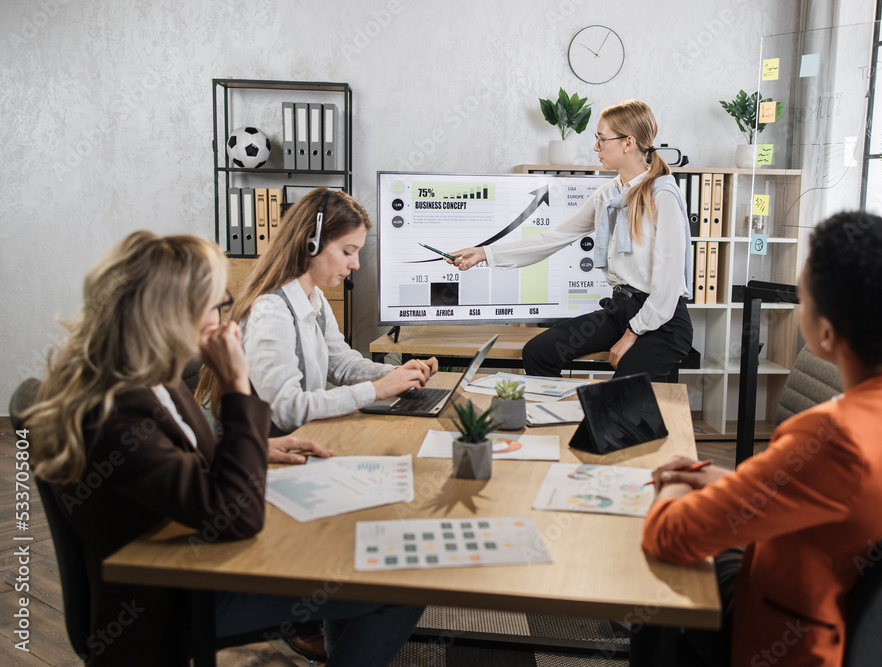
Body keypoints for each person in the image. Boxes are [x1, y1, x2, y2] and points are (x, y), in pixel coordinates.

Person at [25, 231, 423, 666]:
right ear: (170, 314)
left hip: (193, 557)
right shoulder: (115, 412)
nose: (226, 322)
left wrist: (257, 445)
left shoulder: (148, 377)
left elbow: (177, 455)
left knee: (353, 555)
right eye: (217, 306)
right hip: (172, 598)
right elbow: (236, 515)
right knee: (398, 587)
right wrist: (236, 387)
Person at [636, 212, 882, 666]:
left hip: (792, 633)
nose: (796, 307)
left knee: (657, 557)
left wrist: (673, 474)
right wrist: (712, 477)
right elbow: (826, 498)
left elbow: (668, 535)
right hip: (865, 618)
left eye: (802, 297)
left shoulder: (833, 438)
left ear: (827, 331)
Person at [448, 99, 693, 382]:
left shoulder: (662, 196)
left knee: (619, 399)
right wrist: (484, 253)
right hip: (620, 311)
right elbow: (554, 238)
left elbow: (669, 284)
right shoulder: (608, 194)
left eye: (602, 140)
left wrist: (632, 334)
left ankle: (600, 423)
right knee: (539, 351)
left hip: (662, 321)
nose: (595, 148)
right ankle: (556, 421)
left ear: (629, 143)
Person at [197, 187, 438, 435]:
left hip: (301, 437)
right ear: (311, 243)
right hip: (263, 454)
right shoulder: (271, 312)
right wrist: (375, 390)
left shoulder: (314, 298)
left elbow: (342, 365)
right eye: (347, 251)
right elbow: (287, 409)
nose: (355, 264)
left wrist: (399, 374)